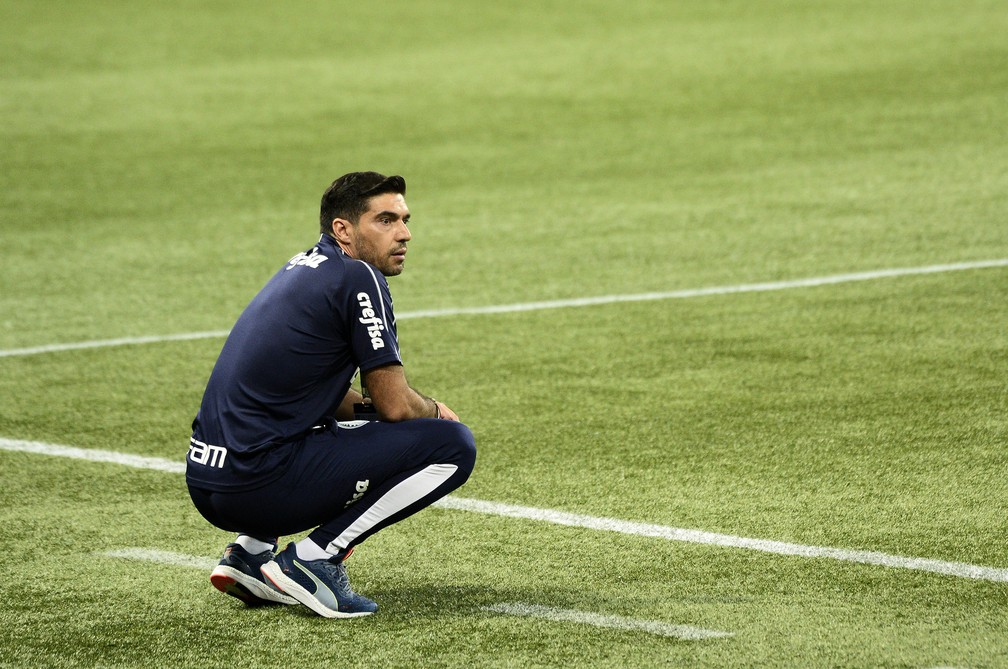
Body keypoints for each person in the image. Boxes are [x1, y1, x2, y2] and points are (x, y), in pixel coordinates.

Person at [186, 172, 477, 618]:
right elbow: (397, 405)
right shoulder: (359, 277)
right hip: (257, 484)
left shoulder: (304, 266)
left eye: (404, 219)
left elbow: (319, 386)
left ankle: (251, 554)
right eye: (385, 220)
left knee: (347, 421)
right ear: (343, 229)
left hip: (210, 480)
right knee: (452, 446)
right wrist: (436, 412)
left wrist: (372, 412)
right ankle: (316, 559)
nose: (404, 233)